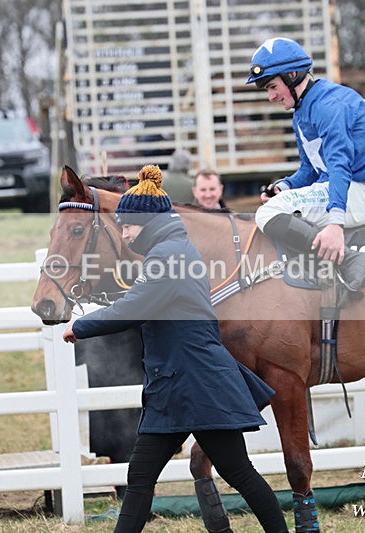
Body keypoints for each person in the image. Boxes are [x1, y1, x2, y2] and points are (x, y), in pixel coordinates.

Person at [63, 165, 288, 533]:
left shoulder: (167, 256)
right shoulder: (171, 251)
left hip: (197, 386)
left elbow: (135, 307)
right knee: (142, 476)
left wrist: (81, 326)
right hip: (176, 386)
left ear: (147, 222)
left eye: (129, 225)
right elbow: (143, 299)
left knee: (238, 473)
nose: (125, 232)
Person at [247, 37, 365, 292]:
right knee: (276, 204)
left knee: (267, 213)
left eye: (273, 87)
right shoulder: (302, 110)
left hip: (355, 191)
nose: (271, 96)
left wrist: (335, 224)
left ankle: (350, 259)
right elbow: (310, 170)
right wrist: (285, 186)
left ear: (293, 75)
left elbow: (339, 165)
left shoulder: (329, 105)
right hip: (340, 188)